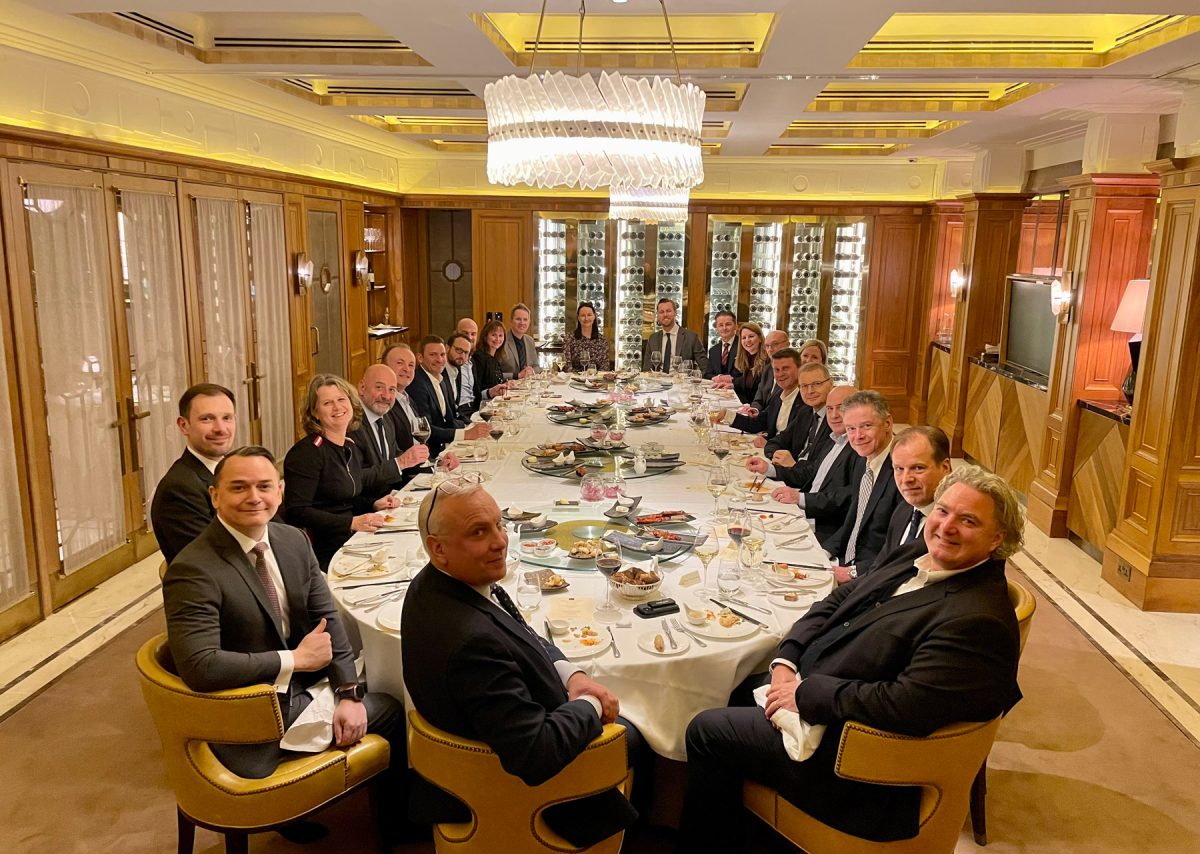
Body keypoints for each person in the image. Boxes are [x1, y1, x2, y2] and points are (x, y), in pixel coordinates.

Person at [677, 465, 1025, 849]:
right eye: (942, 510)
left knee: (707, 729)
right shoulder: (921, 552)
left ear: (998, 538)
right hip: (822, 694)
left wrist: (804, 694)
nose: (946, 527)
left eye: (969, 520)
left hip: (860, 767)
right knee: (731, 687)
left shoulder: (976, 619)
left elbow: (905, 705)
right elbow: (842, 597)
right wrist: (786, 660)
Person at [402, 481, 642, 848]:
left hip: (489, 740)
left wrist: (574, 676)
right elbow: (535, 753)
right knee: (638, 736)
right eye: (478, 532)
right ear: (439, 548)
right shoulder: (471, 643)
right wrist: (590, 704)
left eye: (498, 524)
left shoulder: (437, 584)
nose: (500, 541)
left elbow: (519, 632)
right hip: (522, 797)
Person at [163, 446, 402, 787]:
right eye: (238, 487)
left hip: (302, 688)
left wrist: (347, 693)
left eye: (264, 486)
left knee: (378, 685)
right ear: (215, 496)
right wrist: (294, 660)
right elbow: (201, 667)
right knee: (392, 707)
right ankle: (395, 829)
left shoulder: (290, 540)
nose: (253, 497)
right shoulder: (193, 569)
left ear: (280, 491)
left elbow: (327, 619)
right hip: (252, 711)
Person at [282, 374, 400, 570]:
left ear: (352, 404)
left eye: (341, 400)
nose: (337, 408)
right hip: (327, 551)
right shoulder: (306, 453)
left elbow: (344, 498)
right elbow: (297, 511)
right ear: (315, 412)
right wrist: (350, 522)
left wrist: (373, 503)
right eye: (327, 403)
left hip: (354, 539)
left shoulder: (349, 447)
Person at [820, 390, 903, 581]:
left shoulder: (901, 472)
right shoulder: (863, 460)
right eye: (850, 429)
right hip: (843, 560)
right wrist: (824, 550)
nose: (858, 436)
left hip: (872, 576)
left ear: (888, 423)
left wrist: (854, 572)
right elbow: (854, 521)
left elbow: (899, 545)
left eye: (866, 426)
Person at [760, 385, 859, 541]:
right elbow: (810, 473)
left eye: (841, 408)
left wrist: (800, 499)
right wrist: (770, 469)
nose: (833, 415)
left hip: (822, 529)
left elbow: (847, 497)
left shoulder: (858, 448)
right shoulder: (834, 439)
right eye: (829, 409)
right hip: (803, 514)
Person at [151, 383, 237, 565]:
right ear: (184, 426)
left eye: (227, 418)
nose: (220, 428)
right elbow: (212, 561)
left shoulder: (235, 469)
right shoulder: (178, 490)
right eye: (207, 419)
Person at [869, 425, 953, 569]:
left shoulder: (951, 527)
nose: (906, 479)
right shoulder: (904, 508)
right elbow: (877, 571)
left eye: (918, 468)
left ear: (945, 468)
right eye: (899, 469)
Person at [349, 364, 430, 494]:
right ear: (362, 388)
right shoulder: (351, 424)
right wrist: (401, 462)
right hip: (367, 507)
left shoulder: (386, 417)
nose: (386, 396)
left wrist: (437, 464)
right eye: (379, 387)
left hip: (391, 498)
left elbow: (396, 457)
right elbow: (355, 478)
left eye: (392, 389)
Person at [409, 335, 489, 458]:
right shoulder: (418, 384)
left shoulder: (441, 378)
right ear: (420, 358)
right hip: (432, 454)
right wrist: (465, 434)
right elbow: (426, 430)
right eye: (433, 355)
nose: (440, 360)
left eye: (442, 355)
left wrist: (471, 426)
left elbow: (450, 418)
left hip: (448, 448)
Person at [714, 347, 803, 449]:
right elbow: (757, 424)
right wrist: (726, 414)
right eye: (776, 370)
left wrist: (769, 445)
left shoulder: (805, 401)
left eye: (786, 368)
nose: (780, 374)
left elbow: (795, 444)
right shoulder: (778, 396)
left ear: (800, 368)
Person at [762, 362, 833, 462]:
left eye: (817, 384)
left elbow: (819, 467)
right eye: (804, 386)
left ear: (831, 384)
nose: (810, 391)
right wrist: (777, 456)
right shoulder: (805, 412)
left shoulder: (836, 419)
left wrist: (793, 466)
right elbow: (777, 441)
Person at [641, 298, 707, 374]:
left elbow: (704, 366)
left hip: (682, 383)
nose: (665, 315)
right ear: (658, 316)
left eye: (668, 311)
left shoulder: (691, 337)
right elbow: (647, 369)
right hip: (658, 383)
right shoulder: (653, 338)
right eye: (661, 312)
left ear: (675, 313)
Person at [447, 330, 504, 417]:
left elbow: (476, 394)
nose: (469, 337)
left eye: (473, 334)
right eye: (465, 333)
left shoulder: (471, 363)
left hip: (474, 409)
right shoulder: (447, 370)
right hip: (461, 413)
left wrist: (490, 392)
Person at [561, 302, 612, 372]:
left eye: (589, 315)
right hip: (574, 380)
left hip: (596, 381)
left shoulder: (602, 340)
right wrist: (580, 378)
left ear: (594, 316)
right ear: (578, 318)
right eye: (582, 315)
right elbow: (567, 366)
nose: (586, 318)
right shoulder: (569, 338)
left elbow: (605, 366)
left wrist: (595, 379)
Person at [497, 303, 539, 380]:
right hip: (508, 387)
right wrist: (517, 375)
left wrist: (531, 371)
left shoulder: (530, 341)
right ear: (511, 320)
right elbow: (495, 374)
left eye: (525, 319)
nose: (522, 323)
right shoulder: (501, 340)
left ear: (529, 322)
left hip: (528, 386)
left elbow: (537, 366)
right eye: (518, 319)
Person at [731, 322, 768, 405]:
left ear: (760, 338)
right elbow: (746, 386)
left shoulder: (767, 361)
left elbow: (761, 393)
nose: (747, 340)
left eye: (751, 336)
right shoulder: (745, 359)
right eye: (744, 338)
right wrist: (731, 384)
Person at [472, 320, 508, 402]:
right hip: (483, 405)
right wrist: (490, 392)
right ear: (485, 337)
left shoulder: (495, 358)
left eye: (500, 335)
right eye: (493, 335)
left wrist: (506, 385)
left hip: (495, 402)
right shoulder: (479, 358)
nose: (497, 339)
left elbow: (496, 382)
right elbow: (476, 391)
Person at [705, 310, 740, 381]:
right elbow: (707, 374)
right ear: (716, 328)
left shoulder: (743, 346)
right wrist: (719, 377)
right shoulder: (713, 350)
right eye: (720, 325)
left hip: (738, 390)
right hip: (718, 390)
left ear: (736, 326)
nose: (724, 328)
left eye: (728, 324)